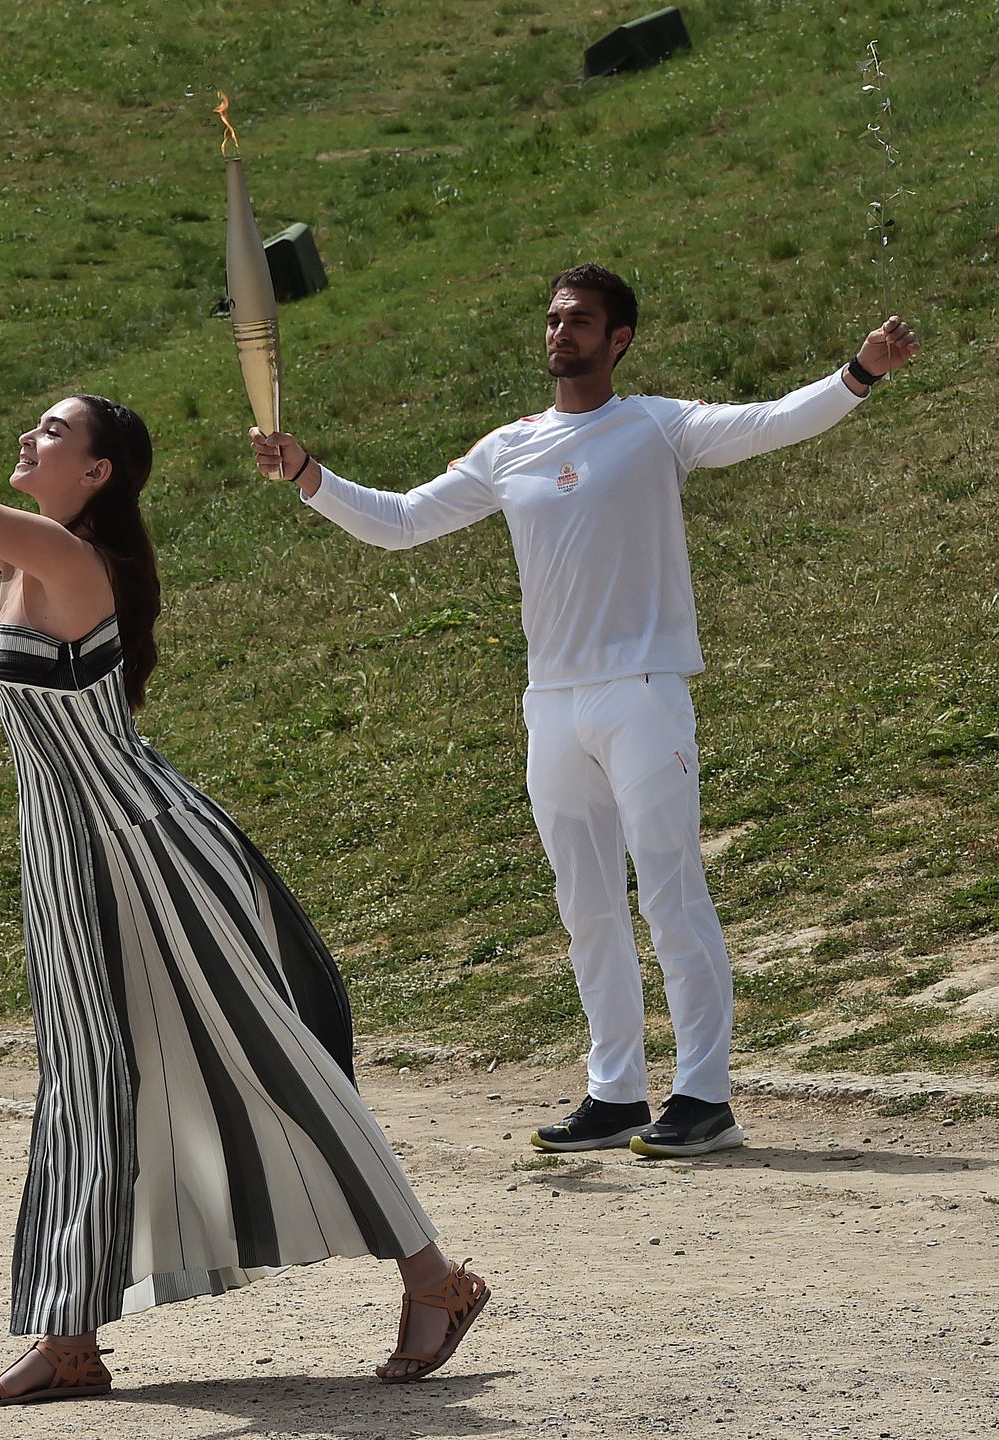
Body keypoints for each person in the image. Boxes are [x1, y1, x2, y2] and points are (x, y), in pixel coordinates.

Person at [0, 299, 489, 1404]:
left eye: (52, 431)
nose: (28, 439)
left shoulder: (61, 556)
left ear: (98, 473)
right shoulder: (29, 562)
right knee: (86, 1084)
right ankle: (71, 1339)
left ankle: (435, 1279)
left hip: (148, 854)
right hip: (67, 864)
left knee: (270, 1061)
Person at [251, 264, 918, 1160]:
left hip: (644, 691)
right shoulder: (507, 446)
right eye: (556, 319)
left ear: (620, 340)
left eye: (582, 322)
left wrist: (860, 374)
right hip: (552, 704)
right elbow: (402, 521)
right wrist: (308, 473)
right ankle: (616, 1093)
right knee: (587, 904)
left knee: (671, 891)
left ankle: (705, 1095)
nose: (561, 334)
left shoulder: (656, 427)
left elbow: (770, 423)